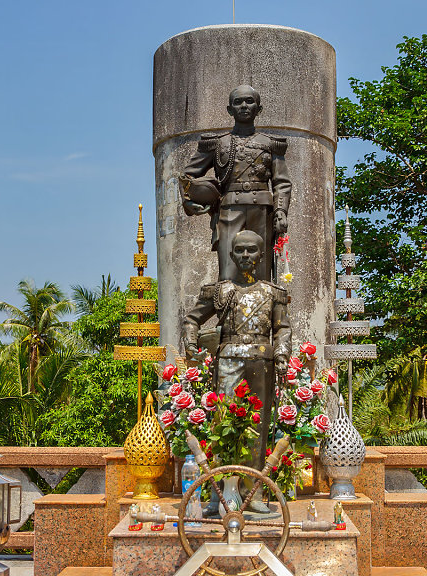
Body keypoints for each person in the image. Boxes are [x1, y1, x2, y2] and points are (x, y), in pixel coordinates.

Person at [181, 230, 291, 512]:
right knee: (223, 426)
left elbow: (282, 329)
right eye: (240, 251)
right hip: (228, 360)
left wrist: (281, 354)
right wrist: (191, 342)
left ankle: (251, 493)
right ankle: (220, 493)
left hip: (261, 362)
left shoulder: (272, 293)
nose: (245, 256)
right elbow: (192, 319)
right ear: (231, 255)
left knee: (257, 428)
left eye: (251, 251)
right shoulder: (221, 291)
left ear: (261, 255)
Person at [181, 85, 292, 282]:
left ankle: (263, 312)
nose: (244, 106)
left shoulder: (271, 144)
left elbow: (281, 182)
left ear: (259, 108)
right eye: (238, 102)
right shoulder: (217, 143)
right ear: (229, 110)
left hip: (262, 210)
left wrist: (281, 211)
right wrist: (189, 201)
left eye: (249, 101)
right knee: (228, 275)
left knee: (262, 274)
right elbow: (188, 176)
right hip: (229, 209)